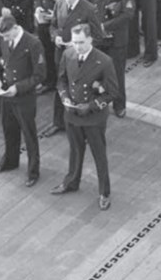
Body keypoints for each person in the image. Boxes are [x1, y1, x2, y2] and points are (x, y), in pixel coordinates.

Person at [51, 24, 119, 211]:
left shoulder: (103, 61)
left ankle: (104, 192)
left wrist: (89, 106)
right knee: (75, 151)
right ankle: (71, 181)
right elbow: (62, 80)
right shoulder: (68, 55)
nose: (78, 46)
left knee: (99, 156)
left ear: (90, 39)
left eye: (81, 42)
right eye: (74, 42)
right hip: (72, 115)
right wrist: (65, 98)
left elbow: (113, 92)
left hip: (93, 119)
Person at [0, 14, 46, 185]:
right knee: (9, 130)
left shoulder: (33, 43)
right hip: (6, 94)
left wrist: (18, 88)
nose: (5, 39)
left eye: (7, 35)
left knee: (29, 135)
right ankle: (10, 162)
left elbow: (40, 75)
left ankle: (33, 171)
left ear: (15, 28)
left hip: (24, 98)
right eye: (2, 36)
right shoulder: (3, 40)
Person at [47, 0, 105, 134]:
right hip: (61, 54)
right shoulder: (59, 3)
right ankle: (58, 122)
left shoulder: (88, 9)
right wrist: (55, 36)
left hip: (80, 58)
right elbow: (53, 25)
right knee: (60, 85)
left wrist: (80, 44)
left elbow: (98, 37)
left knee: (78, 90)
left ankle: (78, 124)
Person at [83, 0, 135, 118]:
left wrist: (105, 26)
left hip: (115, 38)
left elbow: (128, 14)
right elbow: (85, 4)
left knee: (117, 73)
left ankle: (119, 105)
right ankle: (98, 102)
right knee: (96, 72)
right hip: (96, 37)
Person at [33, 0, 77, 96]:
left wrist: (56, 15)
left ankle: (64, 82)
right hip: (44, 19)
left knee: (61, 55)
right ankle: (50, 80)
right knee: (46, 51)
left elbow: (71, 0)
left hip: (60, 21)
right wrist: (38, 7)